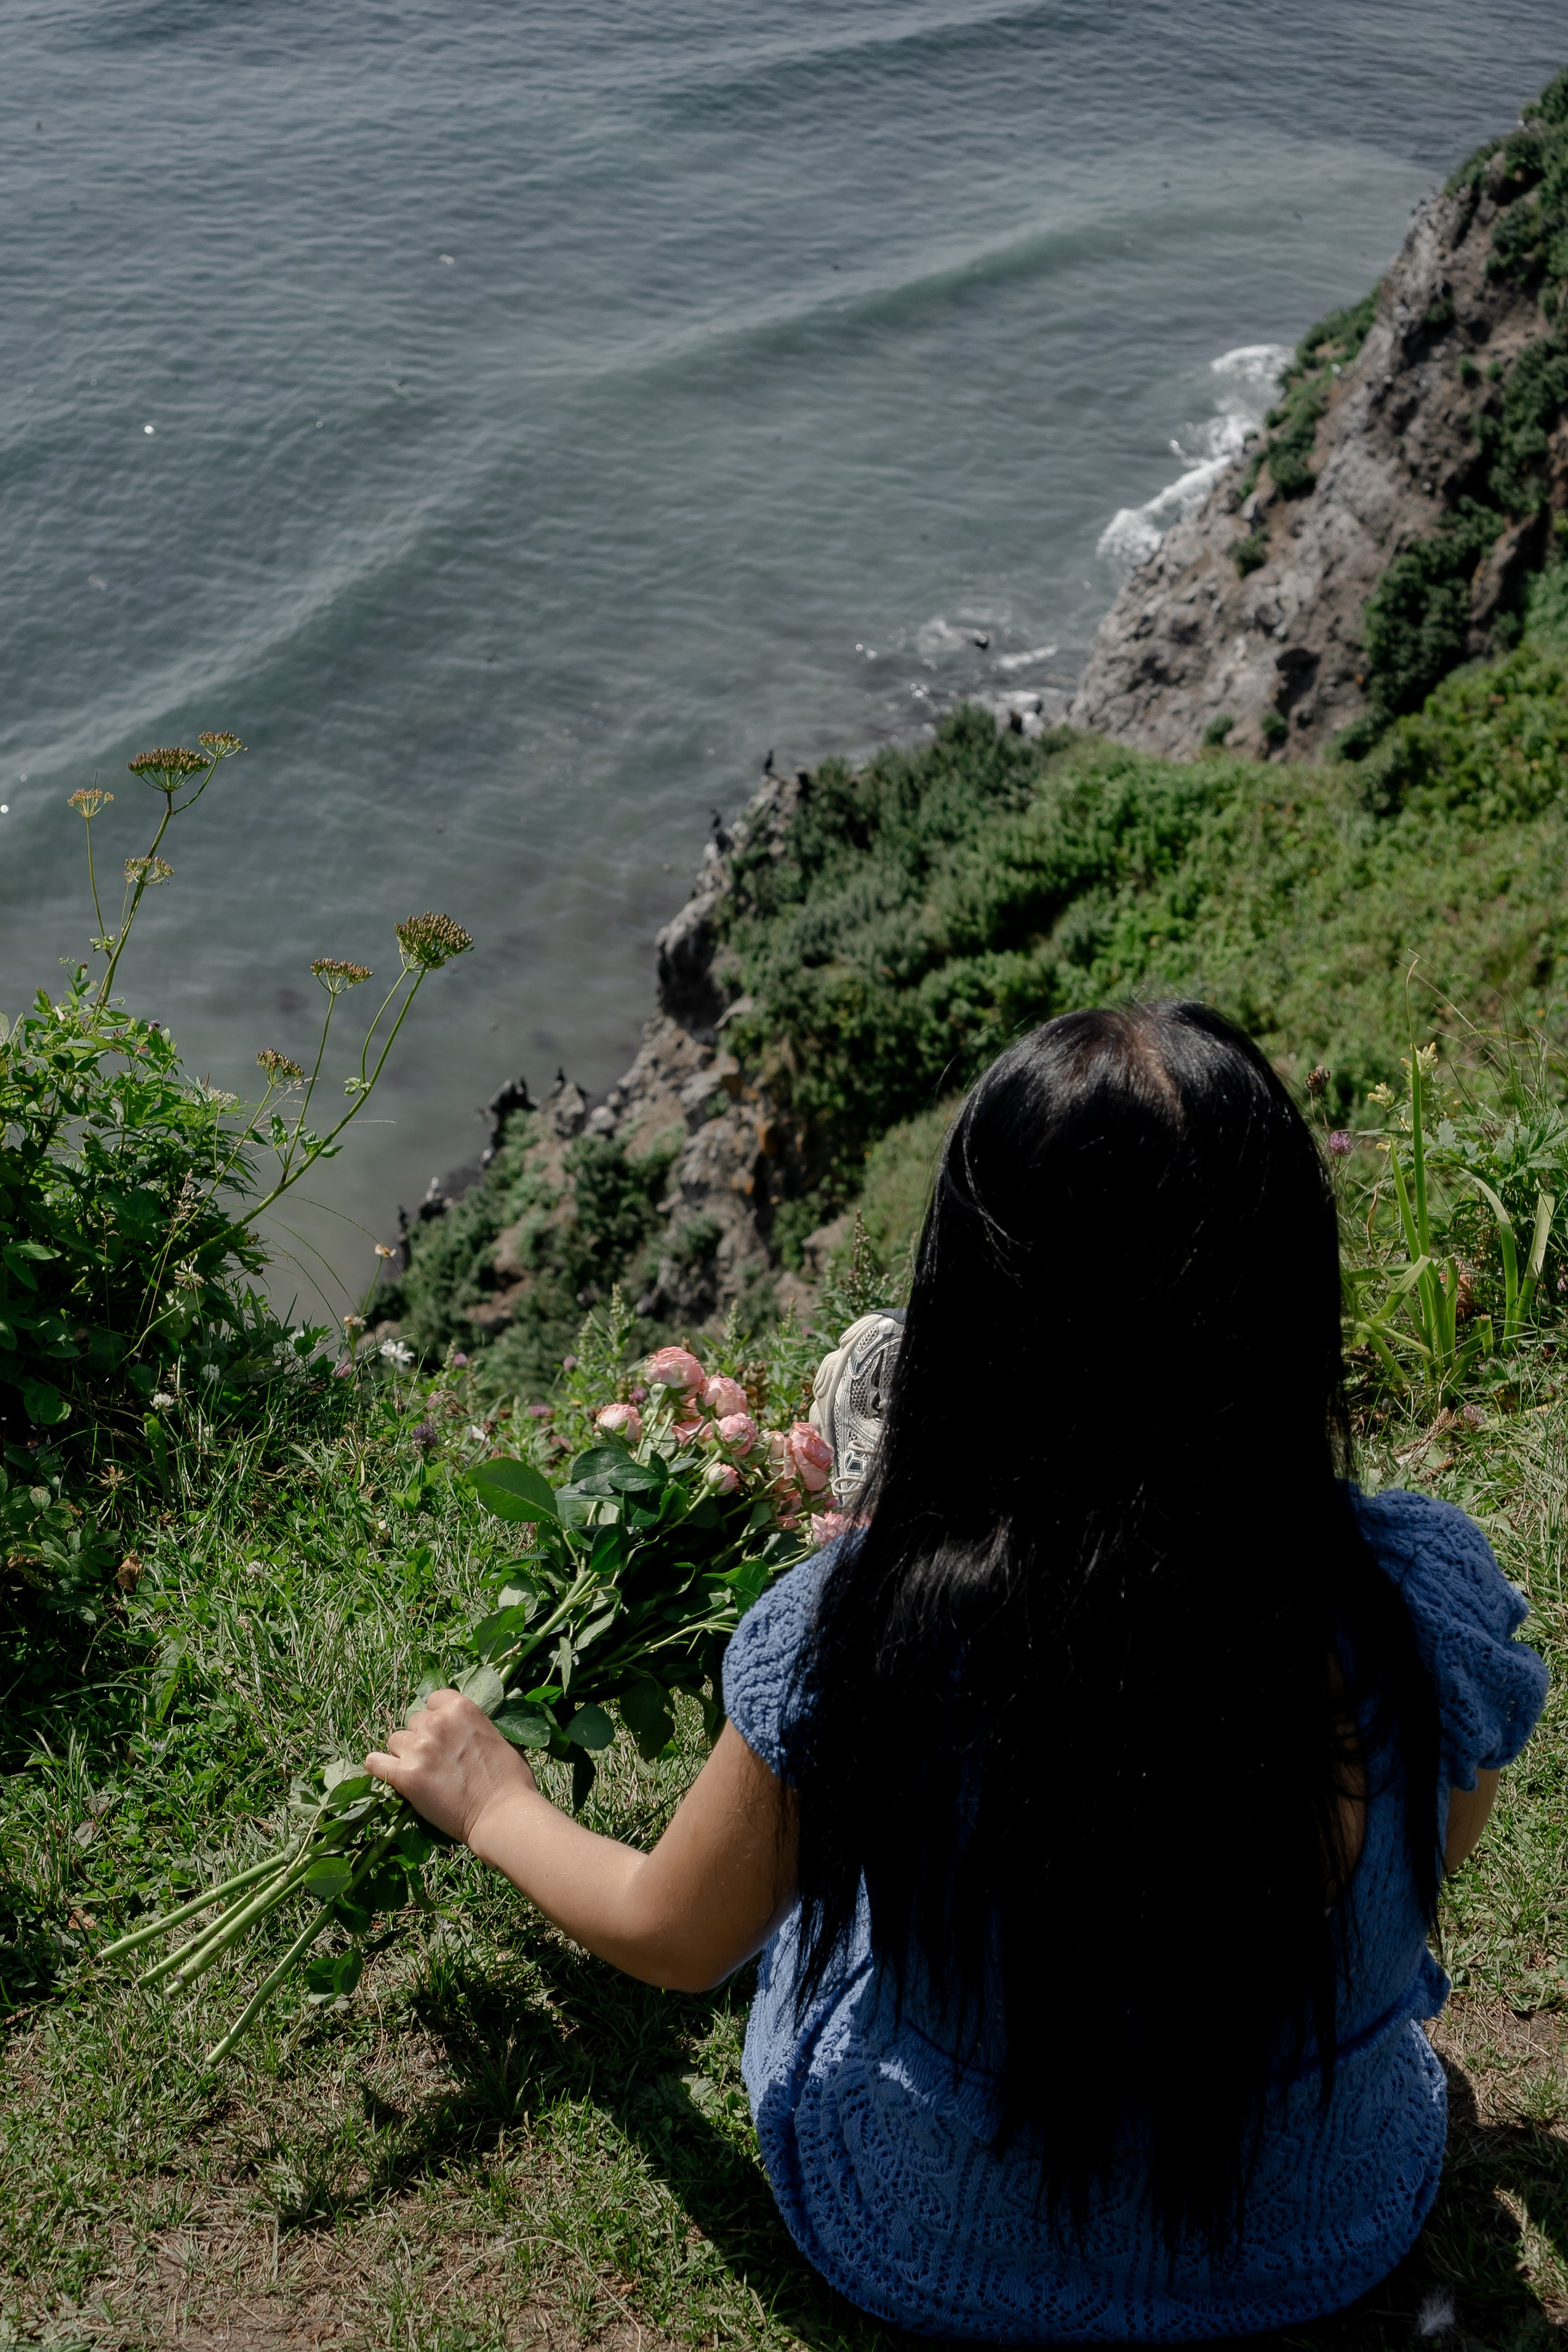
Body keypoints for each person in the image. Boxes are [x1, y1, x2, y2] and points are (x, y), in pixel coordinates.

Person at [366, 1002, 1548, 2342]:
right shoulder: (1416, 1599)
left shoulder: (862, 1630)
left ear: (972, 1310)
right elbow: (1417, 1871)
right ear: (1288, 1294)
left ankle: (905, 1461)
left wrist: (489, 1802)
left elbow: (678, 1937)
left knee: (849, 1926)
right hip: (1318, 2225)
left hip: (941, 2240)